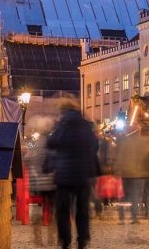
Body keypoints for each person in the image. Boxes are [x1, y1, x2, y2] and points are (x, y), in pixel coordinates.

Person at [46, 97, 99, 249]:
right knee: (82, 210)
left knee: (63, 210)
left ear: (63, 110)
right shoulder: (86, 126)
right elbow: (95, 146)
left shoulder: (62, 125)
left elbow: (51, 143)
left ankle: (65, 240)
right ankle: (82, 239)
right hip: (83, 174)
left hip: (64, 174)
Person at [115, 126, 149, 223]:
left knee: (123, 196)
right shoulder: (144, 142)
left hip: (126, 172)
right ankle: (135, 217)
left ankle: (122, 217)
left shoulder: (125, 142)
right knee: (136, 196)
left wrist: (117, 170)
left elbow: (120, 156)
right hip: (139, 173)